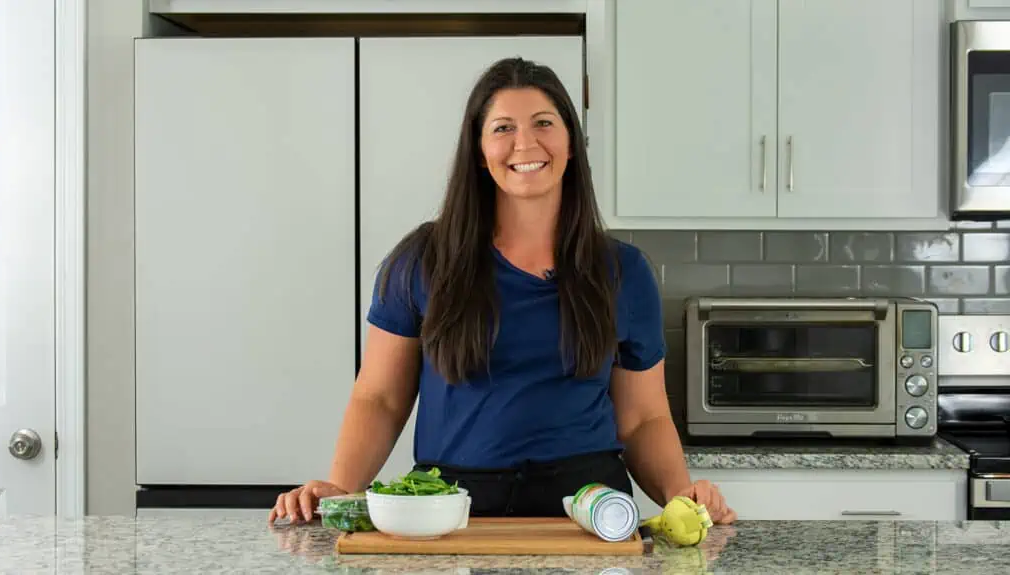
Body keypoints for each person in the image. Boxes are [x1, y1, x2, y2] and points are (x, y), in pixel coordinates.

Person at [268, 56, 736, 526]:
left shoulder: (624, 271)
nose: (525, 143)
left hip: (591, 516)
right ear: (478, 150)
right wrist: (340, 489)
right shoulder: (421, 261)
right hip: (446, 511)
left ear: (571, 143)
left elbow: (642, 419)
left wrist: (682, 494)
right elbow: (380, 399)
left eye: (544, 123)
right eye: (503, 128)